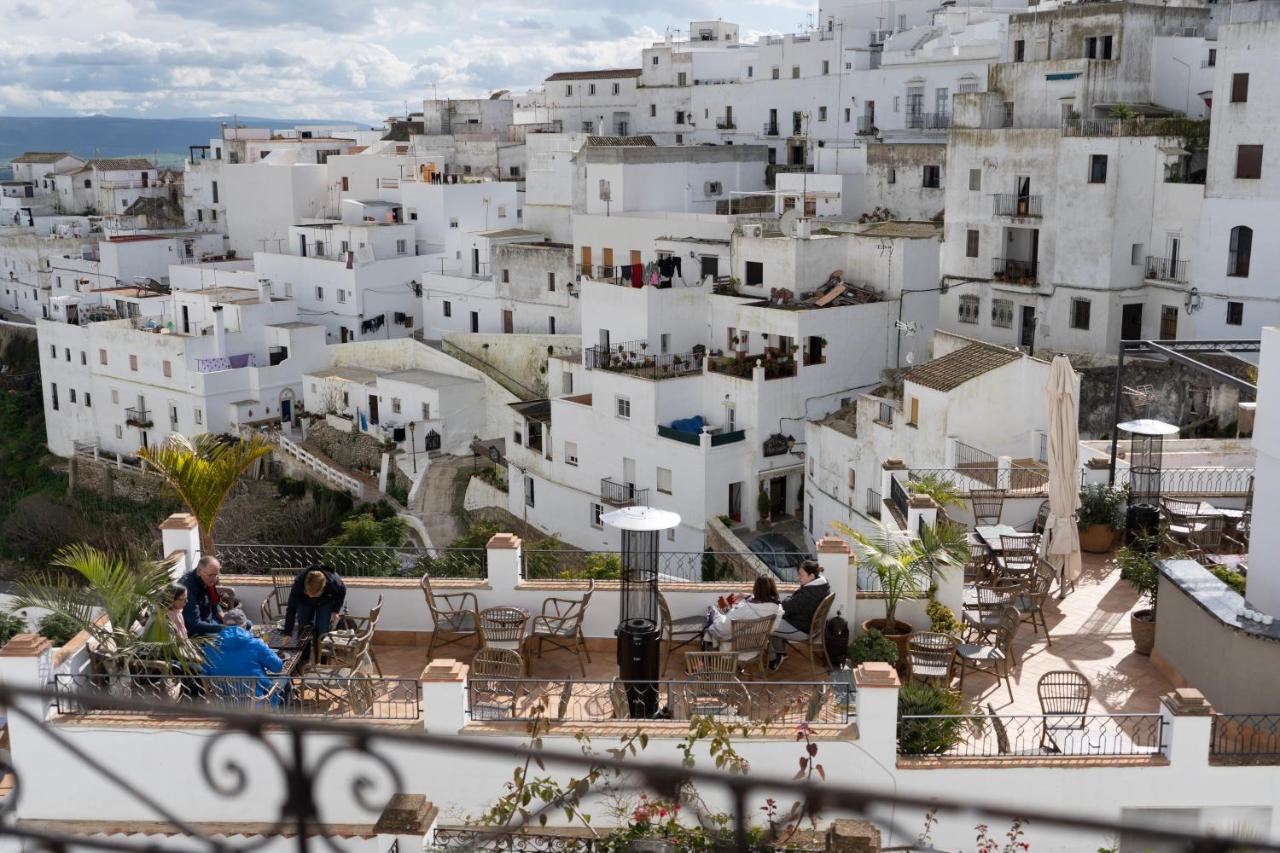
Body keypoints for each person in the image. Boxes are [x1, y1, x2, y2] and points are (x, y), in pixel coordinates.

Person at [201, 609, 284, 704]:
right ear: (245, 626)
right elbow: (278, 667)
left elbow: (204, 674)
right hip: (256, 703)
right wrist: (266, 648)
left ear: (223, 626)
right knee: (284, 681)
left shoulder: (209, 646)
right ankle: (281, 717)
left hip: (223, 705)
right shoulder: (256, 643)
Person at [769, 561, 831, 670]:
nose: (799, 577)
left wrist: (789, 599)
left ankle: (776, 657)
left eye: (801, 575)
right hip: (812, 627)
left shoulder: (807, 594)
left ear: (811, 576)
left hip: (802, 630)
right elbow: (793, 604)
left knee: (767, 626)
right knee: (775, 622)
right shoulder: (822, 586)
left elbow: (786, 606)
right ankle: (780, 653)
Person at [708, 575, 784, 647]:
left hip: (735, 647)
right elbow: (763, 601)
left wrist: (715, 615)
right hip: (757, 645)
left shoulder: (745, 608)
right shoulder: (778, 609)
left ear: (756, 589)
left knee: (712, 613)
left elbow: (722, 629)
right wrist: (747, 596)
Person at [283, 566, 347, 639]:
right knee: (304, 628)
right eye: (307, 593)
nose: (310, 597)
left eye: (314, 595)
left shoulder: (333, 582)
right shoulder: (298, 583)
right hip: (304, 602)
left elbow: (342, 590)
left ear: (323, 588)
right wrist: (287, 633)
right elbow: (291, 608)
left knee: (322, 629)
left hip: (325, 601)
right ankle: (305, 648)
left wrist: (336, 610)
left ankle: (319, 648)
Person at [179, 555, 227, 637]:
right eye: (211, 575)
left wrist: (223, 616)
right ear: (199, 572)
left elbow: (214, 603)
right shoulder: (187, 587)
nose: (214, 579)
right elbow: (195, 624)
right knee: (229, 637)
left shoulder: (209, 580)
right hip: (197, 630)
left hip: (211, 619)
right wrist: (223, 628)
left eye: (216, 575)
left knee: (246, 624)